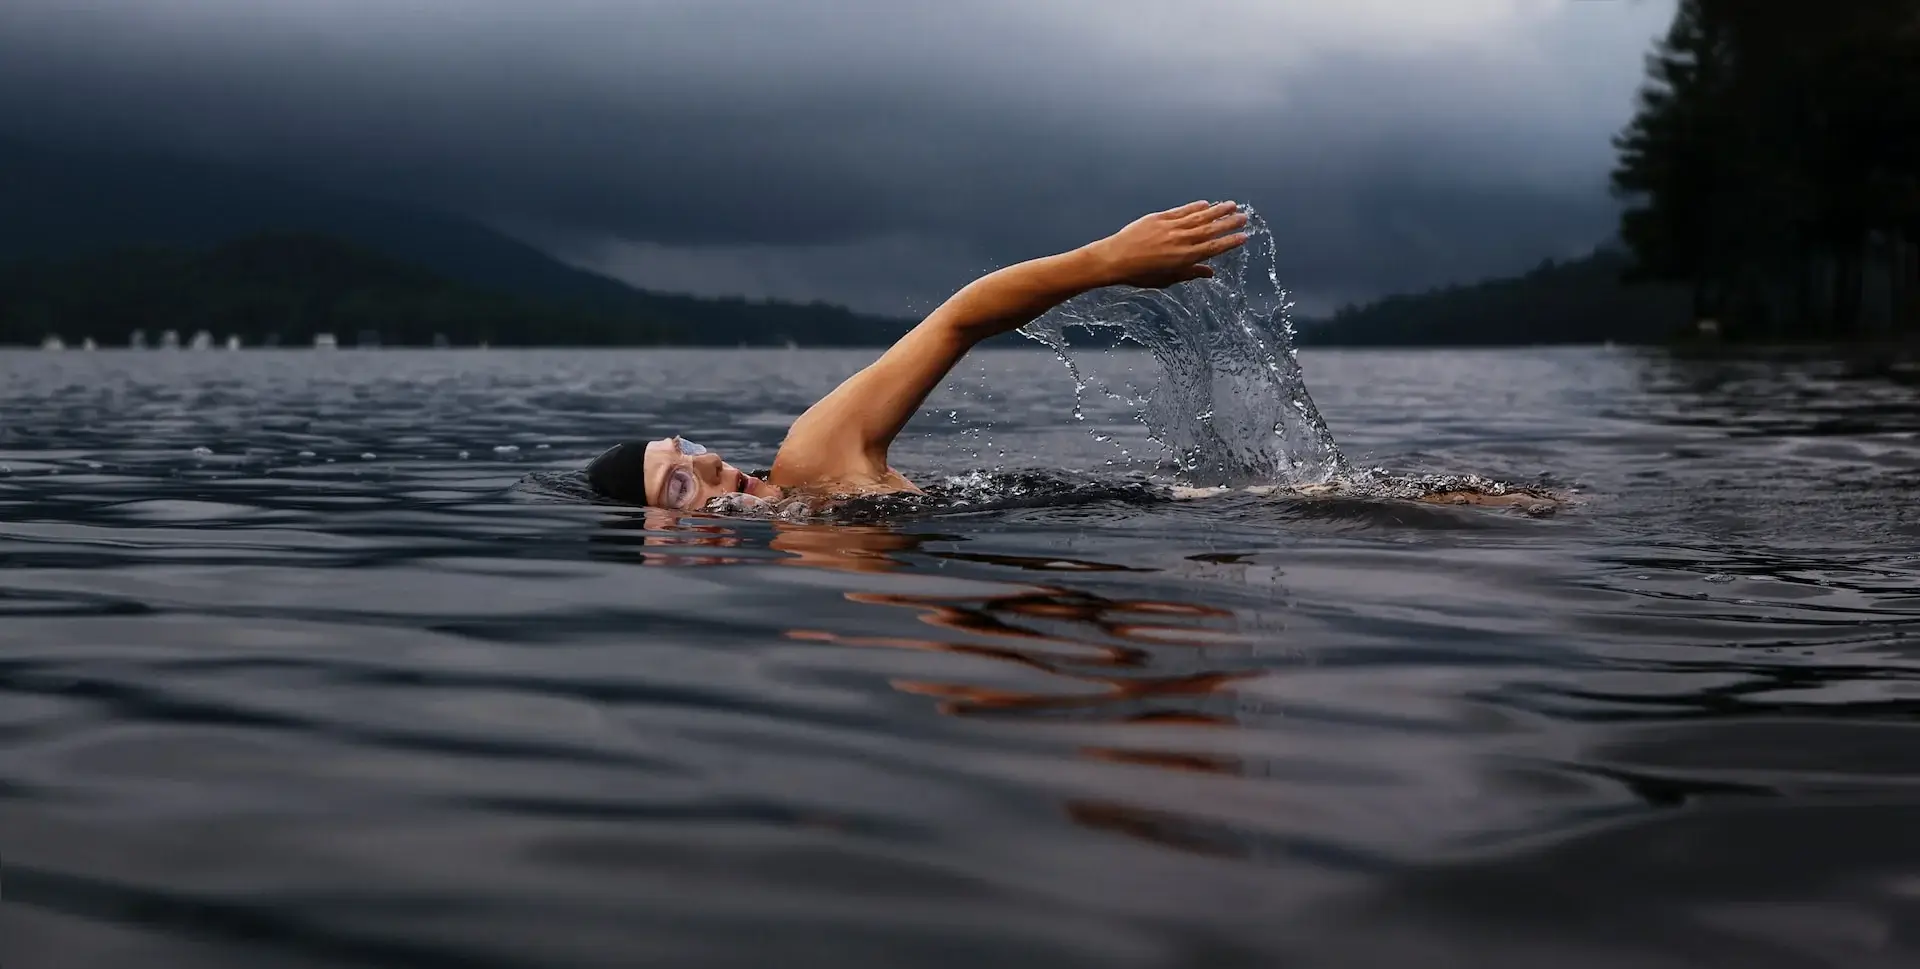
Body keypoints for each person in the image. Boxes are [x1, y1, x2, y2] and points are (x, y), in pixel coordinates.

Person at [587, 200, 1252, 510]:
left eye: (688, 447)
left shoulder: (813, 459)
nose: (707, 460)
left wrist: (1105, 261)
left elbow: (957, 321)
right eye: (679, 483)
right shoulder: (806, 566)